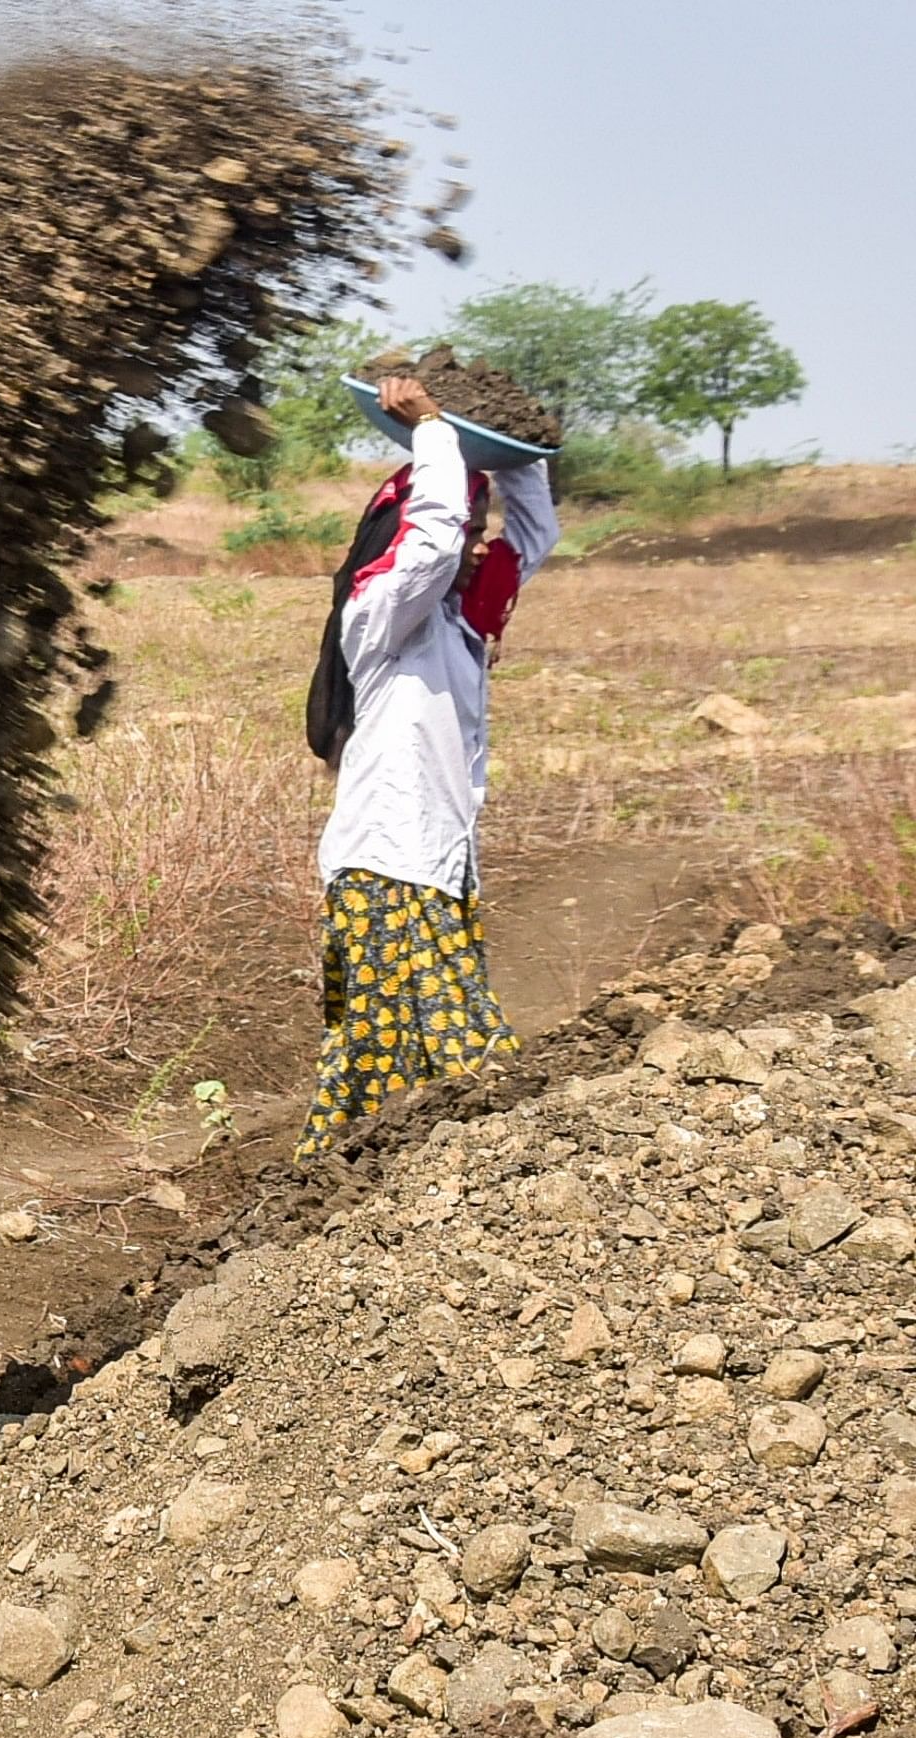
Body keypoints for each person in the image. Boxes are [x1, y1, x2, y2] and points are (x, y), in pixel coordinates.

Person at [296, 374, 557, 1156]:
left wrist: (521, 447)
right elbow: (437, 533)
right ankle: (492, 1174)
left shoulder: (463, 630)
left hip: (437, 872)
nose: (480, 538)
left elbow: (533, 535)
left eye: (484, 522)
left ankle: (331, 1187)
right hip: (388, 870)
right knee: (467, 1056)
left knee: (371, 1066)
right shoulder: (383, 616)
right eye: (472, 521)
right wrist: (436, 430)